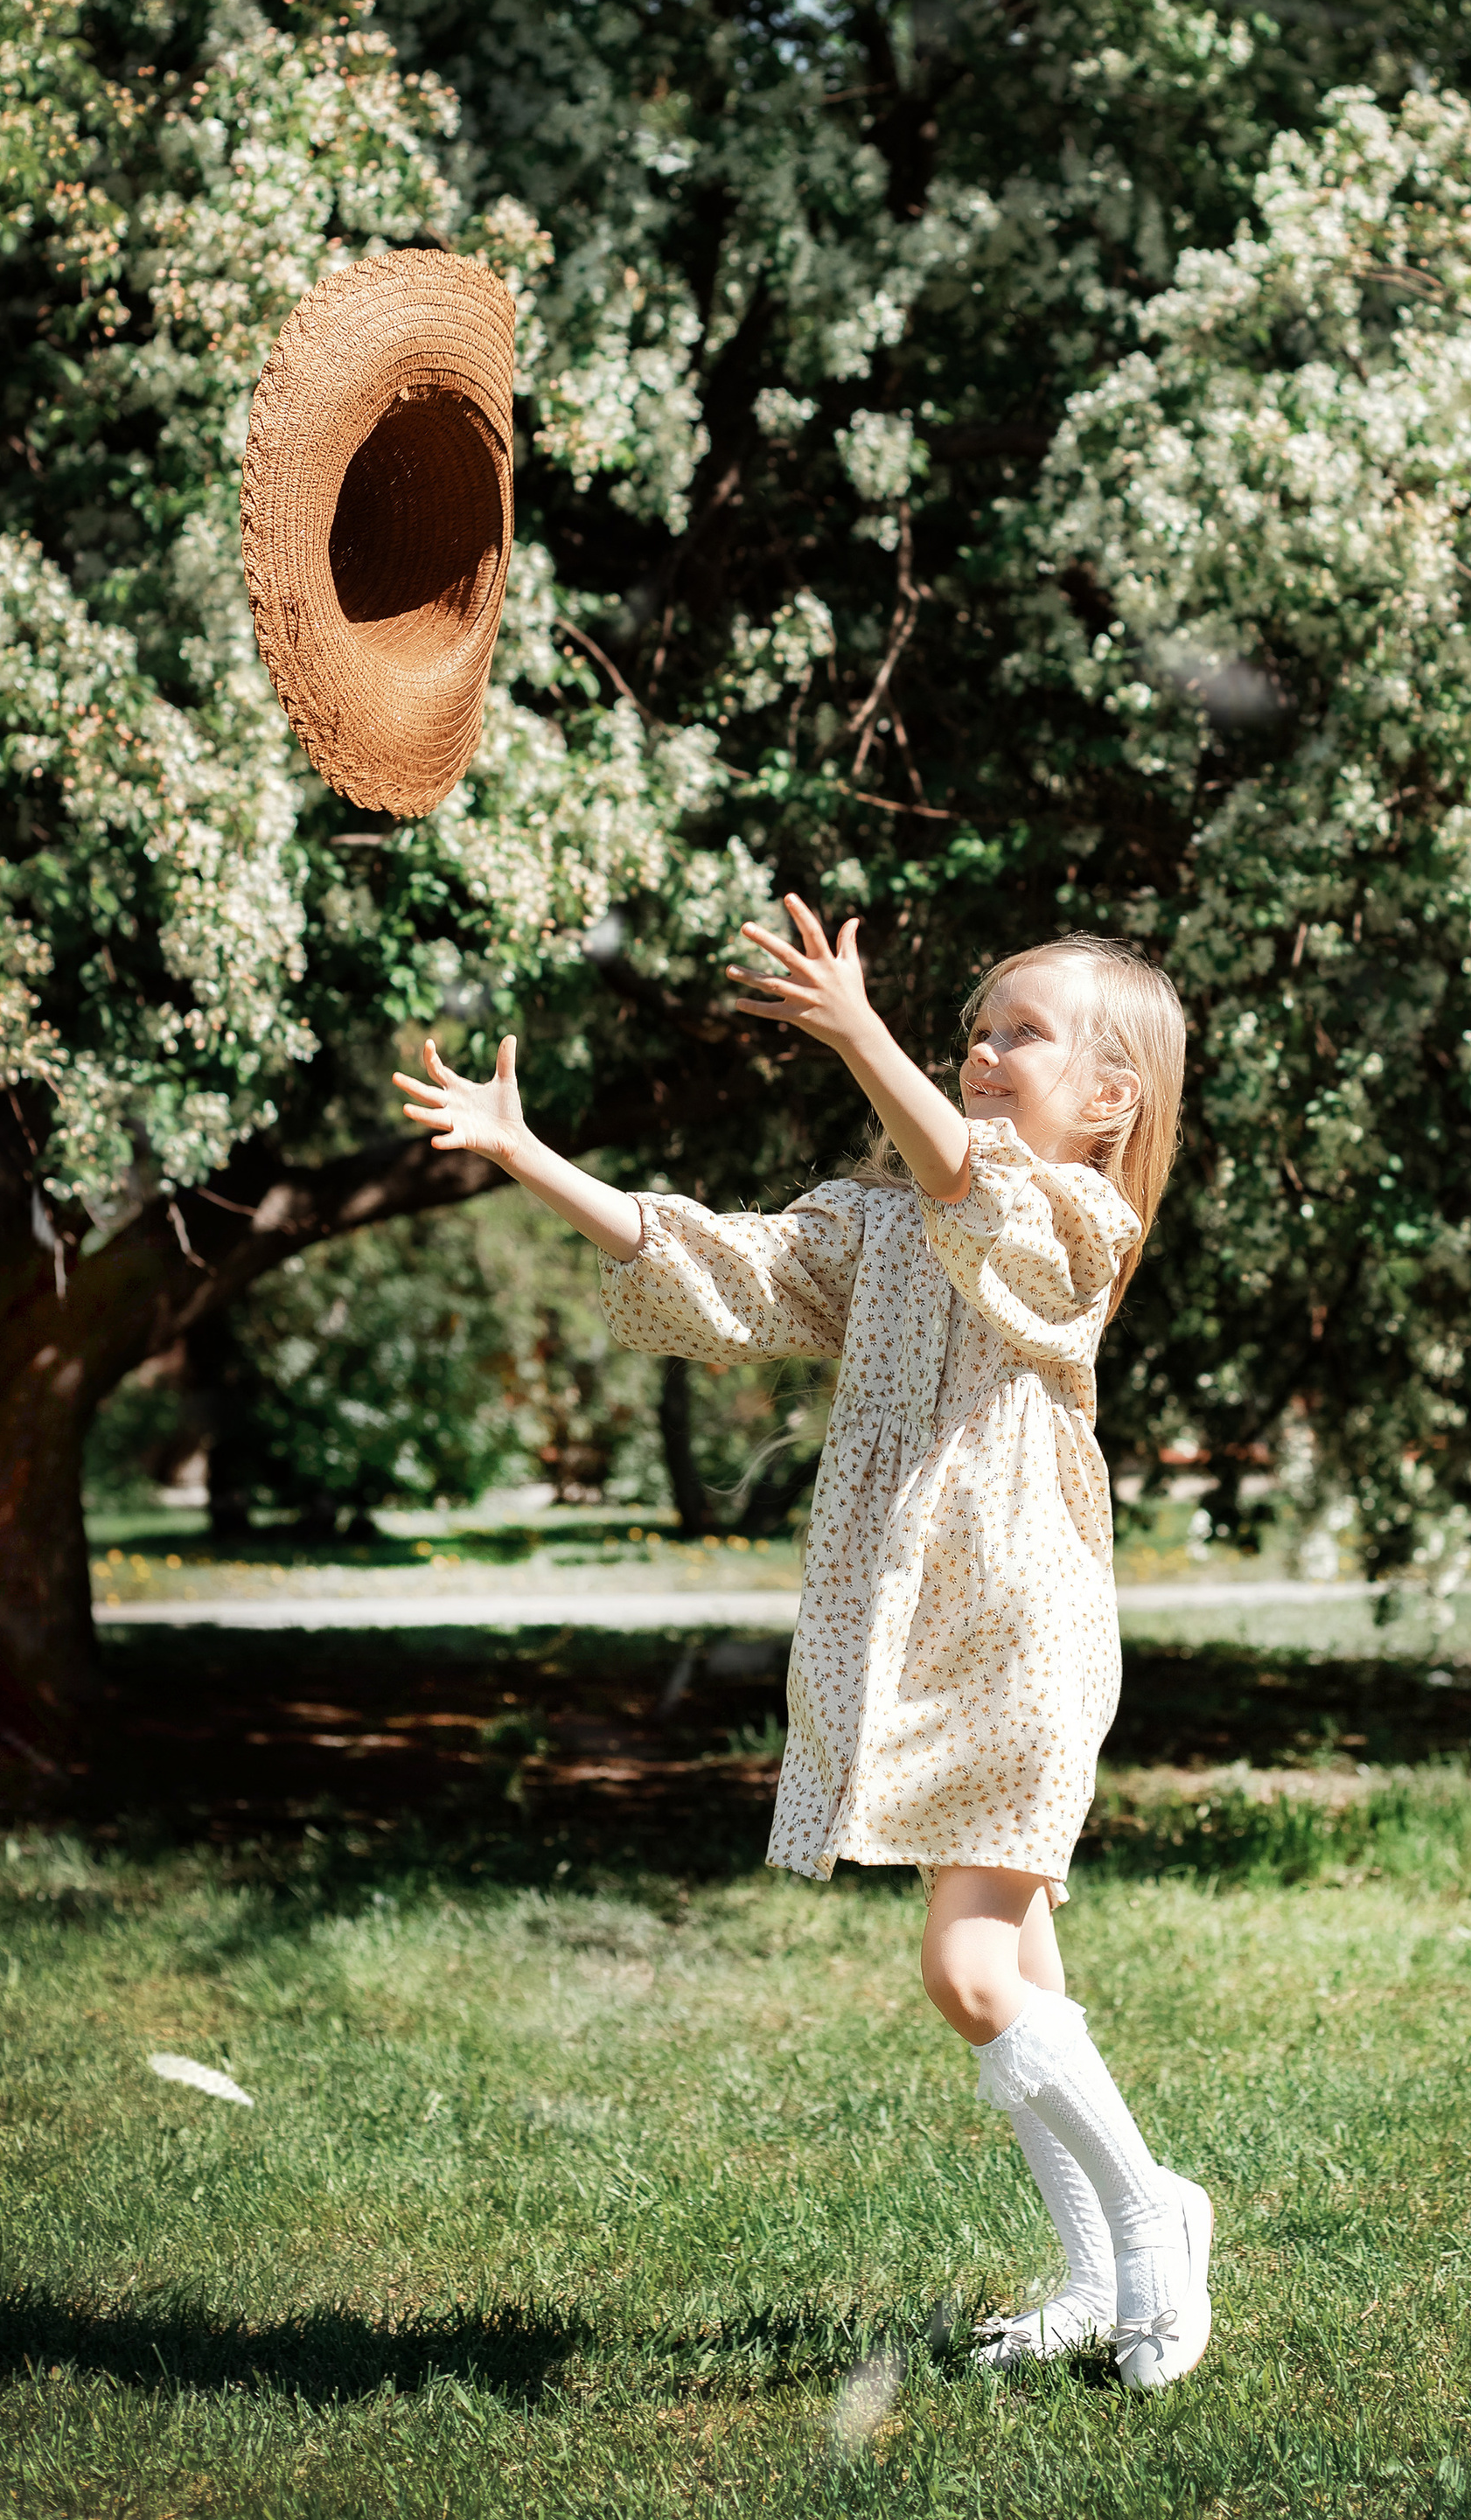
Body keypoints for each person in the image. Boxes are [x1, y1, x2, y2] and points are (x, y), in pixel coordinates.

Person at [393, 895, 1212, 2391]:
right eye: (976, 1023)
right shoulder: (878, 1222)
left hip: (1024, 1629)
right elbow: (720, 1268)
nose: (980, 1047)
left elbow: (987, 1203)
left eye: (1022, 1032)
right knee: (1020, 1971)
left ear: (1113, 1099)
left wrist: (859, 1035)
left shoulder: (1081, 1223)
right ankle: (1099, 2279)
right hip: (923, 1636)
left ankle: (1159, 2219)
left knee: (967, 1971)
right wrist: (529, 1159)